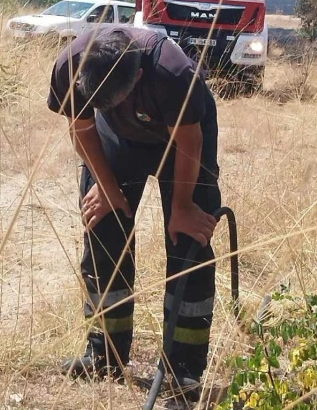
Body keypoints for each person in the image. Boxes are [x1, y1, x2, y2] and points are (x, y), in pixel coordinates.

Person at [47, 26, 221, 400]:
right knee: (103, 226)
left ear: (138, 75)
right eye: (100, 103)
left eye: (114, 100)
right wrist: (109, 190)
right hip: (118, 138)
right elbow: (82, 128)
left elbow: (190, 140)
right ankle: (104, 353)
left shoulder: (172, 74)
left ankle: (183, 370)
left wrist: (183, 207)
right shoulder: (69, 68)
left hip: (183, 137)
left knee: (188, 240)